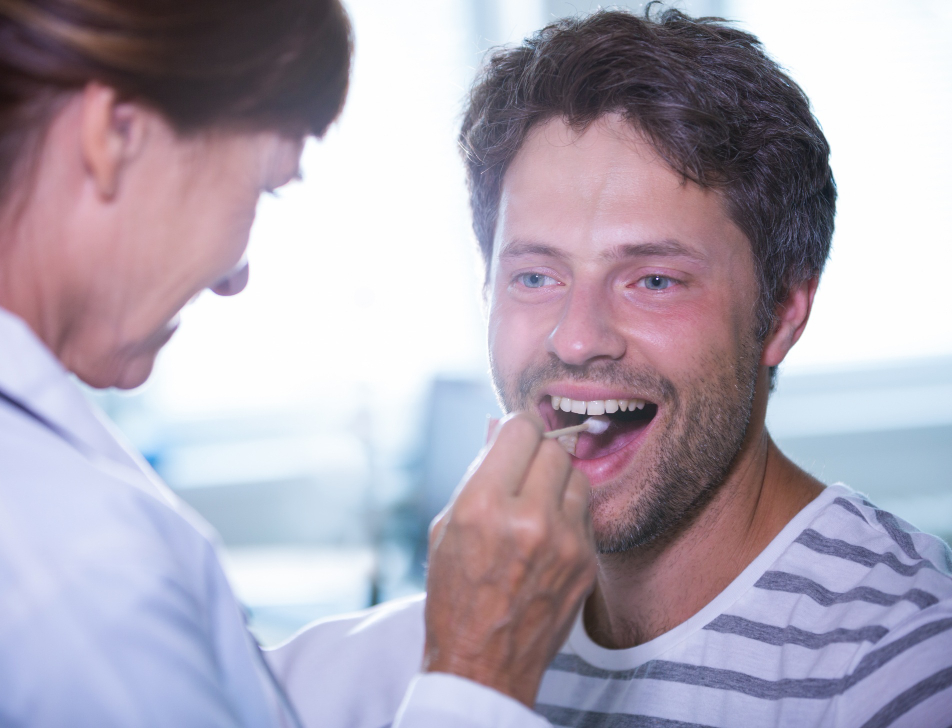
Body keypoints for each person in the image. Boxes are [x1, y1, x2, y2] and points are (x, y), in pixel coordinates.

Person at [266, 7, 952, 727]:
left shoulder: (901, 668)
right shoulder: (437, 656)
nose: (575, 339)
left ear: (782, 313)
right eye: (535, 277)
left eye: (653, 280)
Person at [0, 0, 598, 725]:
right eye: (260, 186)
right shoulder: (68, 569)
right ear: (115, 136)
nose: (237, 276)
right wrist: (480, 672)